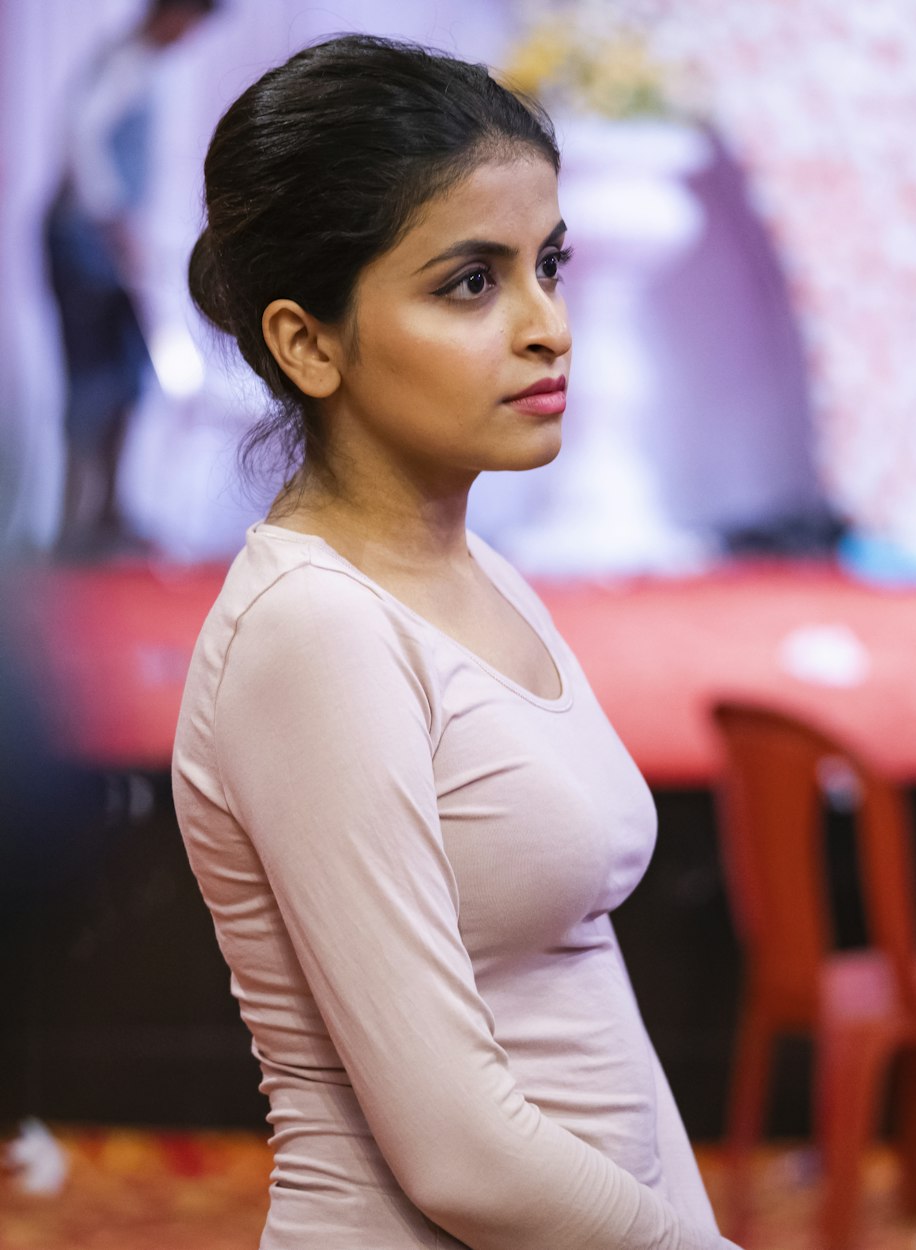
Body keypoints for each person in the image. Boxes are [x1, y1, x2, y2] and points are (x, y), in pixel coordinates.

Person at [172, 34, 741, 1250]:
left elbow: (592, 1004)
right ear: (306, 342)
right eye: (470, 283)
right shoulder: (314, 631)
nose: (547, 326)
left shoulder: (476, 571)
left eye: (549, 263)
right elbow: (459, 1151)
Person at [44, 0, 216, 556]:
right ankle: (76, 524)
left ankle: (108, 514)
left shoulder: (148, 66)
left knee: (125, 377)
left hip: (110, 247)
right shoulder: (123, 61)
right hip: (85, 243)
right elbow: (82, 138)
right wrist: (115, 219)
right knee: (93, 379)